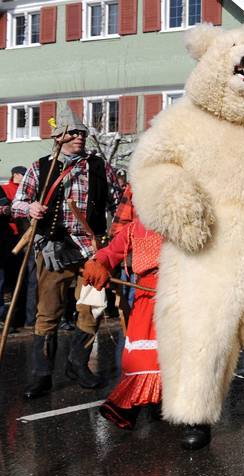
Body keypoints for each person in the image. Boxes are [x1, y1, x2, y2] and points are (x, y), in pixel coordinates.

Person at [12, 109, 119, 399]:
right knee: (47, 313)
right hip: (53, 249)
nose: (78, 138)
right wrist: (31, 208)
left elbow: (119, 204)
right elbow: (18, 203)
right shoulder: (41, 167)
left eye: (81, 133)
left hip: (91, 251)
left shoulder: (99, 166)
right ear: (57, 137)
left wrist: (116, 240)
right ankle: (42, 375)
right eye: (72, 133)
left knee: (91, 308)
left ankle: (78, 364)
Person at [83, 209, 162, 430]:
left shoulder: (191, 224)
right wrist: (98, 261)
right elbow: (113, 250)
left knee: (179, 355)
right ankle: (135, 402)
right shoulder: (137, 227)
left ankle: (190, 417)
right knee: (141, 356)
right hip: (146, 297)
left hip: (182, 295)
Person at [0, 166, 28, 331]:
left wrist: (6, 209)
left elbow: (5, 207)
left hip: (13, 240)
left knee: (6, 281)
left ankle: (7, 318)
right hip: (9, 238)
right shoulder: (6, 188)